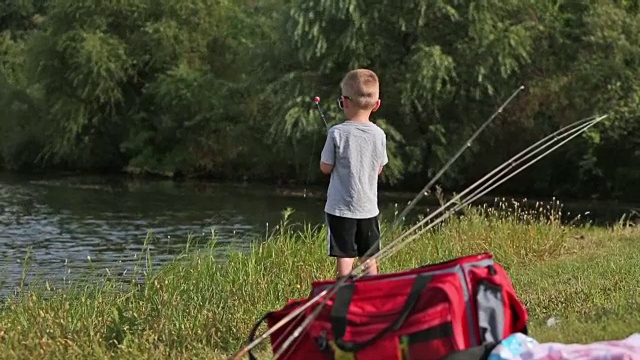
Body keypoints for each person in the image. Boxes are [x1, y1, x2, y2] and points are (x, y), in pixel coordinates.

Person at [319, 68, 389, 279]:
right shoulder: (379, 134)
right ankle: (372, 293)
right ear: (377, 105)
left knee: (345, 256)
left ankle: (343, 296)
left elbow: (325, 167)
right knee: (369, 257)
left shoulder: (336, 133)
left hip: (340, 210)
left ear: (344, 102)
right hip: (368, 209)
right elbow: (379, 168)